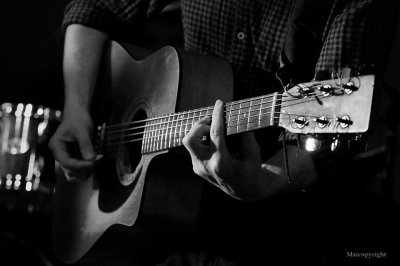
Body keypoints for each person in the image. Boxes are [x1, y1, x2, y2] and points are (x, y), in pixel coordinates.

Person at [49, 0, 400, 265]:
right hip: (169, 236)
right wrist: (76, 108)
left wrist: (265, 180)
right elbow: (94, 8)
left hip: (281, 232)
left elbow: (330, 131)